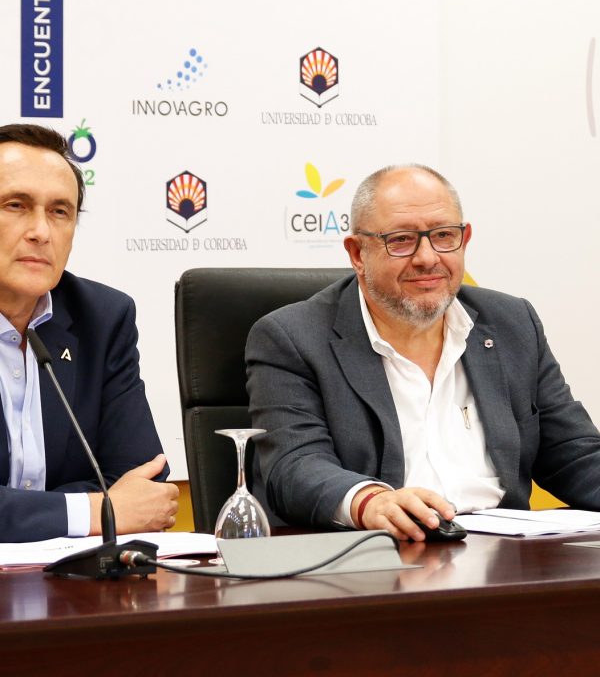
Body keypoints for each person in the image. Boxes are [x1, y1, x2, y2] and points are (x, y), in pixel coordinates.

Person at [246, 164, 600, 541]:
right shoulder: (292, 338)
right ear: (358, 253)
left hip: (507, 555)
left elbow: (573, 452)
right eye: (401, 240)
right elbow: (295, 467)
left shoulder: (512, 323)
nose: (427, 258)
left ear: (464, 240)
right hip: (382, 554)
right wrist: (370, 502)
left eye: (444, 236)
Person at [0, 123, 178, 542]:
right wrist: (95, 510)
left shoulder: (102, 317)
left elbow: (144, 481)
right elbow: (119, 503)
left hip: (69, 575)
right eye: (16, 205)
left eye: (60, 212)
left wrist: (28, 512)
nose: (41, 231)